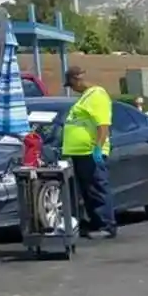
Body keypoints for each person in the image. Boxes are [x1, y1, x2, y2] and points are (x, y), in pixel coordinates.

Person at [60, 66, 117, 239]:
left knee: (97, 188)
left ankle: (106, 226)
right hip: (79, 153)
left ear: (77, 79)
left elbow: (103, 125)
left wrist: (98, 148)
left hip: (90, 152)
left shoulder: (97, 95)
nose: (72, 89)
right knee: (87, 191)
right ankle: (94, 223)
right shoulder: (85, 98)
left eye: (71, 85)